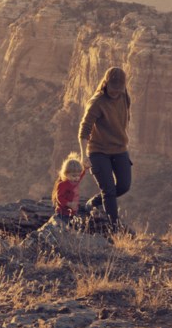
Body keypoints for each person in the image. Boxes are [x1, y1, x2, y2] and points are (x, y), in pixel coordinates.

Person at [77, 66, 132, 225]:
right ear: (106, 83)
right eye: (113, 89)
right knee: (108, 191)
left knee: (123, 186)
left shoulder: (124, 95)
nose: (115, 92)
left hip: (120, 149)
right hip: (98, 151)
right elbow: (84, 129)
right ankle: (114, 228)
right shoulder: (97, 102)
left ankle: (93, 203)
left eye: (118, 89)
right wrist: (83, 156)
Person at [53, 154, 86, 220]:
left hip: (72, 212)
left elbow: (81, 175)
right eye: (74, 176)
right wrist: (69, 204)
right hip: (62, 213)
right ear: (65, 174)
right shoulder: (62, 185)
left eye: (78, 175)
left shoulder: (74, 181)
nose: (77, 178)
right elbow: (59, 197)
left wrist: (86, 168)